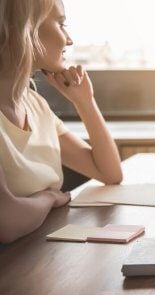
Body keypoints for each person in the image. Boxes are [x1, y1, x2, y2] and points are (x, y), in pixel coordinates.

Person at [0, 0, 122, 243]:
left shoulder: (34, 104)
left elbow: (109, 172)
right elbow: (7, 222)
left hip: (36, 252)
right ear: (26, 28)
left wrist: (85, 103)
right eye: (60, 24)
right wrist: (49, 198)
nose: (69, 40)